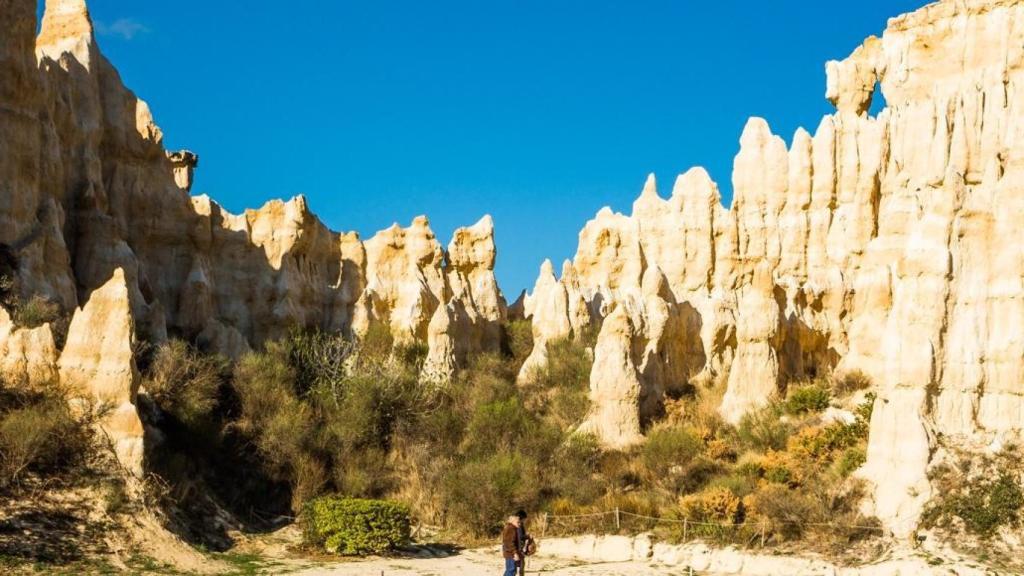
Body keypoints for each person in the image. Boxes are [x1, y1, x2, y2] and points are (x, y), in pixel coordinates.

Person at [515, 509, 531, 576]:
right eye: (524, 518)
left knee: (517, 565)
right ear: (522, 518)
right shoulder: (519, 525)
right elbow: (520, 536)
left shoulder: (516, 524)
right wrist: (528, 536)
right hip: (519, 547)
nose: (525, 520)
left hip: (517, 547)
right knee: (521, 565)